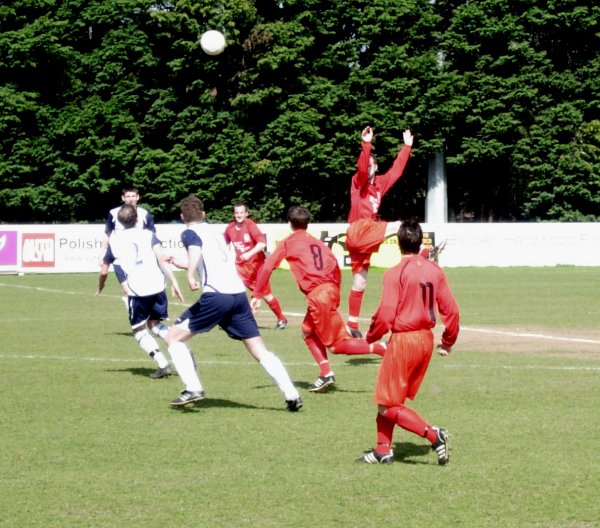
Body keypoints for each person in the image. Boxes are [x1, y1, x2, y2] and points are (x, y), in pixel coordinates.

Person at [165, 195, 303, 411]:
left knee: (173, 337)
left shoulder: (189, 232)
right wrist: (181, 263)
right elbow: (210, 260)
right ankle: (291, 394)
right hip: (238, 295)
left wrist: (190, 274)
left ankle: (192, 388)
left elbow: (195, 251)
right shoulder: (219, 233)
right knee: (259, 350)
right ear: (204, 214)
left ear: (182, 216)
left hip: (216, 296)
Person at [356, 218, 459, 465]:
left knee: (386, 405)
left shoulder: (395, 273)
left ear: (397, 243)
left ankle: (434, 435)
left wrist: (370, 337)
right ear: (419, 240)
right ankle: (383, 449)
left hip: (404, 340)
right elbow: (451, 311)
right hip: (425, 340)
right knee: (391, 399)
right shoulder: (435, 271)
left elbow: (386, 313)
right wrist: (447, 340)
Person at [251, 206, 386, 392]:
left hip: (318, 296)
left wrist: (257, 294)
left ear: (289, 223)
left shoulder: (288, 242)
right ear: (308, 223)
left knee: (337, 346)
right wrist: (334, 294)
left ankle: (380, 348)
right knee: (307, 330)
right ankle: (325, 373)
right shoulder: (318, 243)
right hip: (328, 290)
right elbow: (334, 266)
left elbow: (266, 267)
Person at [97, 204, 184, 379]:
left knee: (138, 329)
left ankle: (162, 364)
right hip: (158, 286)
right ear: (137, 219)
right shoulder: (149, 235)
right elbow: (162, 259)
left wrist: (100, 286)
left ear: (119, 222)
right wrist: (174, 282)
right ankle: (182, 350)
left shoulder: (115, 241)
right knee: (154, 324)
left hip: (138, 290)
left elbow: (104, 269)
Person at [345, 126, 414, 338]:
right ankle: (415, 257)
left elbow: (396, 171)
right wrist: (366, 143)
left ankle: (351, 324)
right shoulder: (359, 182)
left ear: (377, 167)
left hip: (364, 235)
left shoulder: (380, 184)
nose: (368, 169)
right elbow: (361, 165)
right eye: (366, 166)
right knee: (398, 225)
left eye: (371, 166)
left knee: (360, 281)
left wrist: (407, 147)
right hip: (359, 229)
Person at [224, 203, 287, 329]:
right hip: (240, 268)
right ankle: (230, 319)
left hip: (256, 268)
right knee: (229, 290)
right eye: (237, 213)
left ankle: (281, 318)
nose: (239, 215)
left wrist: (248, 254)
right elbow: (223, 244)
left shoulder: (250, 225)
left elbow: (262, 244)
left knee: (265, 295)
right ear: (233, 214)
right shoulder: (230, 228)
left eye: (242, 213)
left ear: (246, 213)